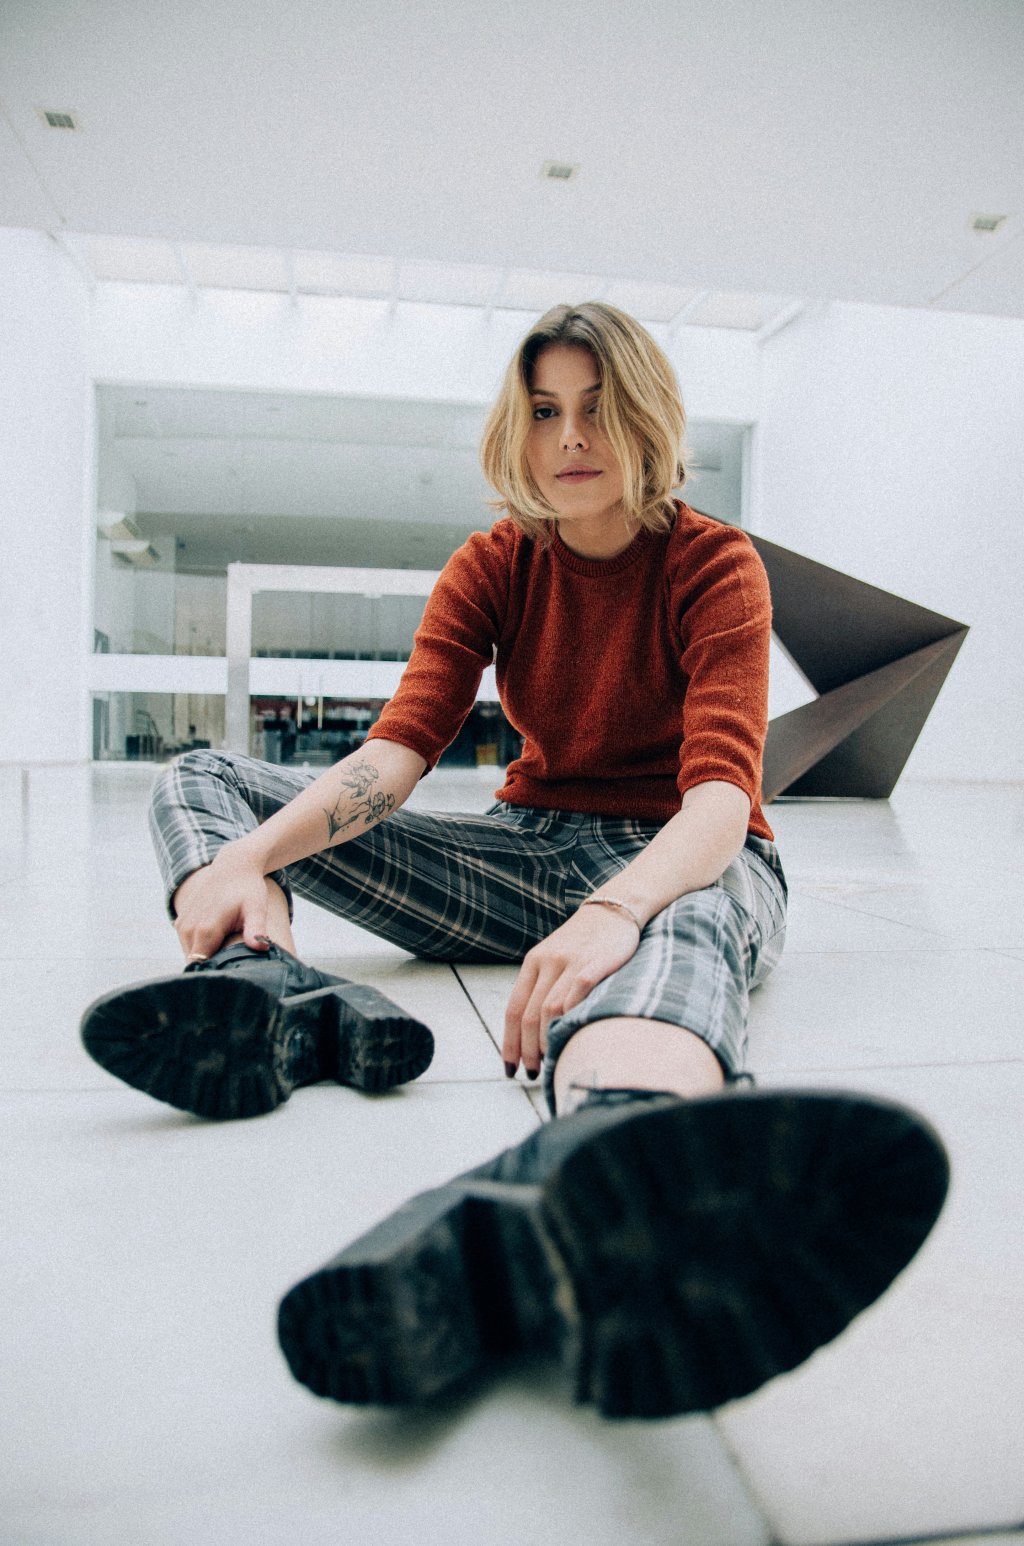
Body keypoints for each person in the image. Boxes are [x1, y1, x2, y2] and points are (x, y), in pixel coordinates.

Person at [81, 302, 948, 1420]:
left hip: (682, 851)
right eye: (544, 410)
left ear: (644, 420)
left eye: (597, 408)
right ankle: (264, 988)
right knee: (200, 781)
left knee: (686, 908)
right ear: (518, 427)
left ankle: (613, 1143)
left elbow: (722, 805)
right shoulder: (494, 562)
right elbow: (394, 757)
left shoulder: (714, 563)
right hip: (527, 851)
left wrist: (615, 910)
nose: (571, 436)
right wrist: (246, 859)